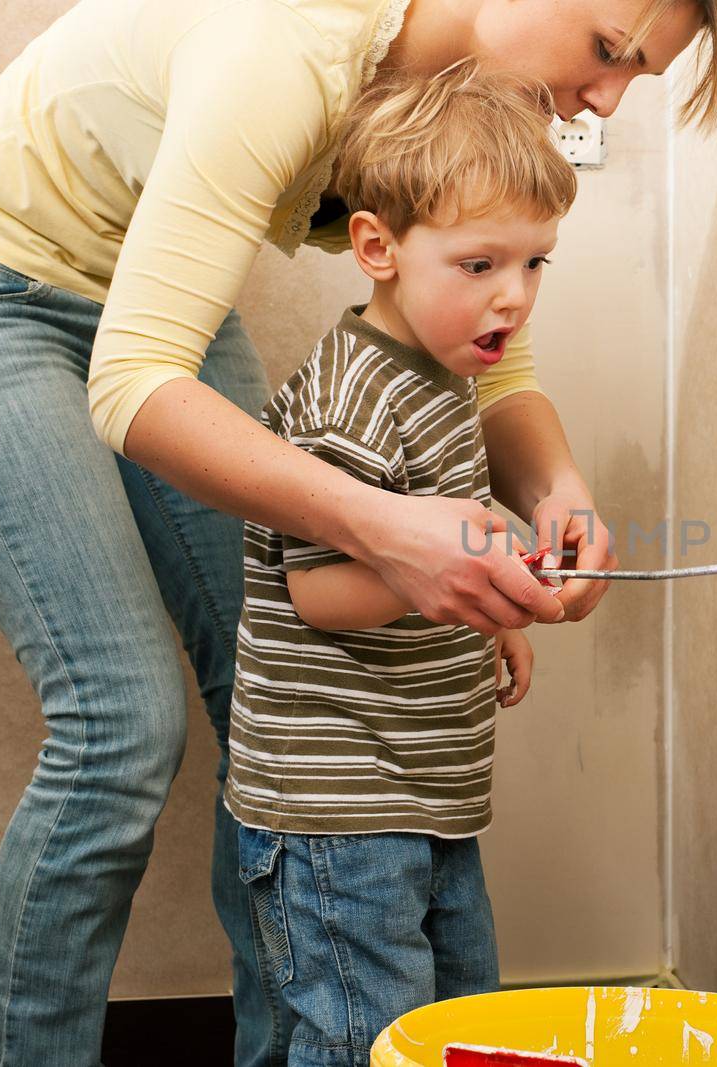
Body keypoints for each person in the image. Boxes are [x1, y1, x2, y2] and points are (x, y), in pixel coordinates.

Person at [0, 1, 717, 1063]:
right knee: (119, 726)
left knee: (279, 698)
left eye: (636, 76)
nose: (605, 100)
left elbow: (494, 367)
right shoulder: (285, 48)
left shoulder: (453, 94)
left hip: (151, 295)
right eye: (609, 51)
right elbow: (137, 381)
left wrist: (555, 488)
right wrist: (388, 530)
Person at [226, 61, 565, 1063]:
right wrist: (479, 555)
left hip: (420, 786)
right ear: (375, 246)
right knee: (365, 1039)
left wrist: (491, 603)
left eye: (538, 262)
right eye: (480, 264)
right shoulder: (352, 401)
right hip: (337, 811)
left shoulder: (443, 374)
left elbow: (436, 538)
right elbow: (320, 589)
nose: (516, 295)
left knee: (456, 1024)